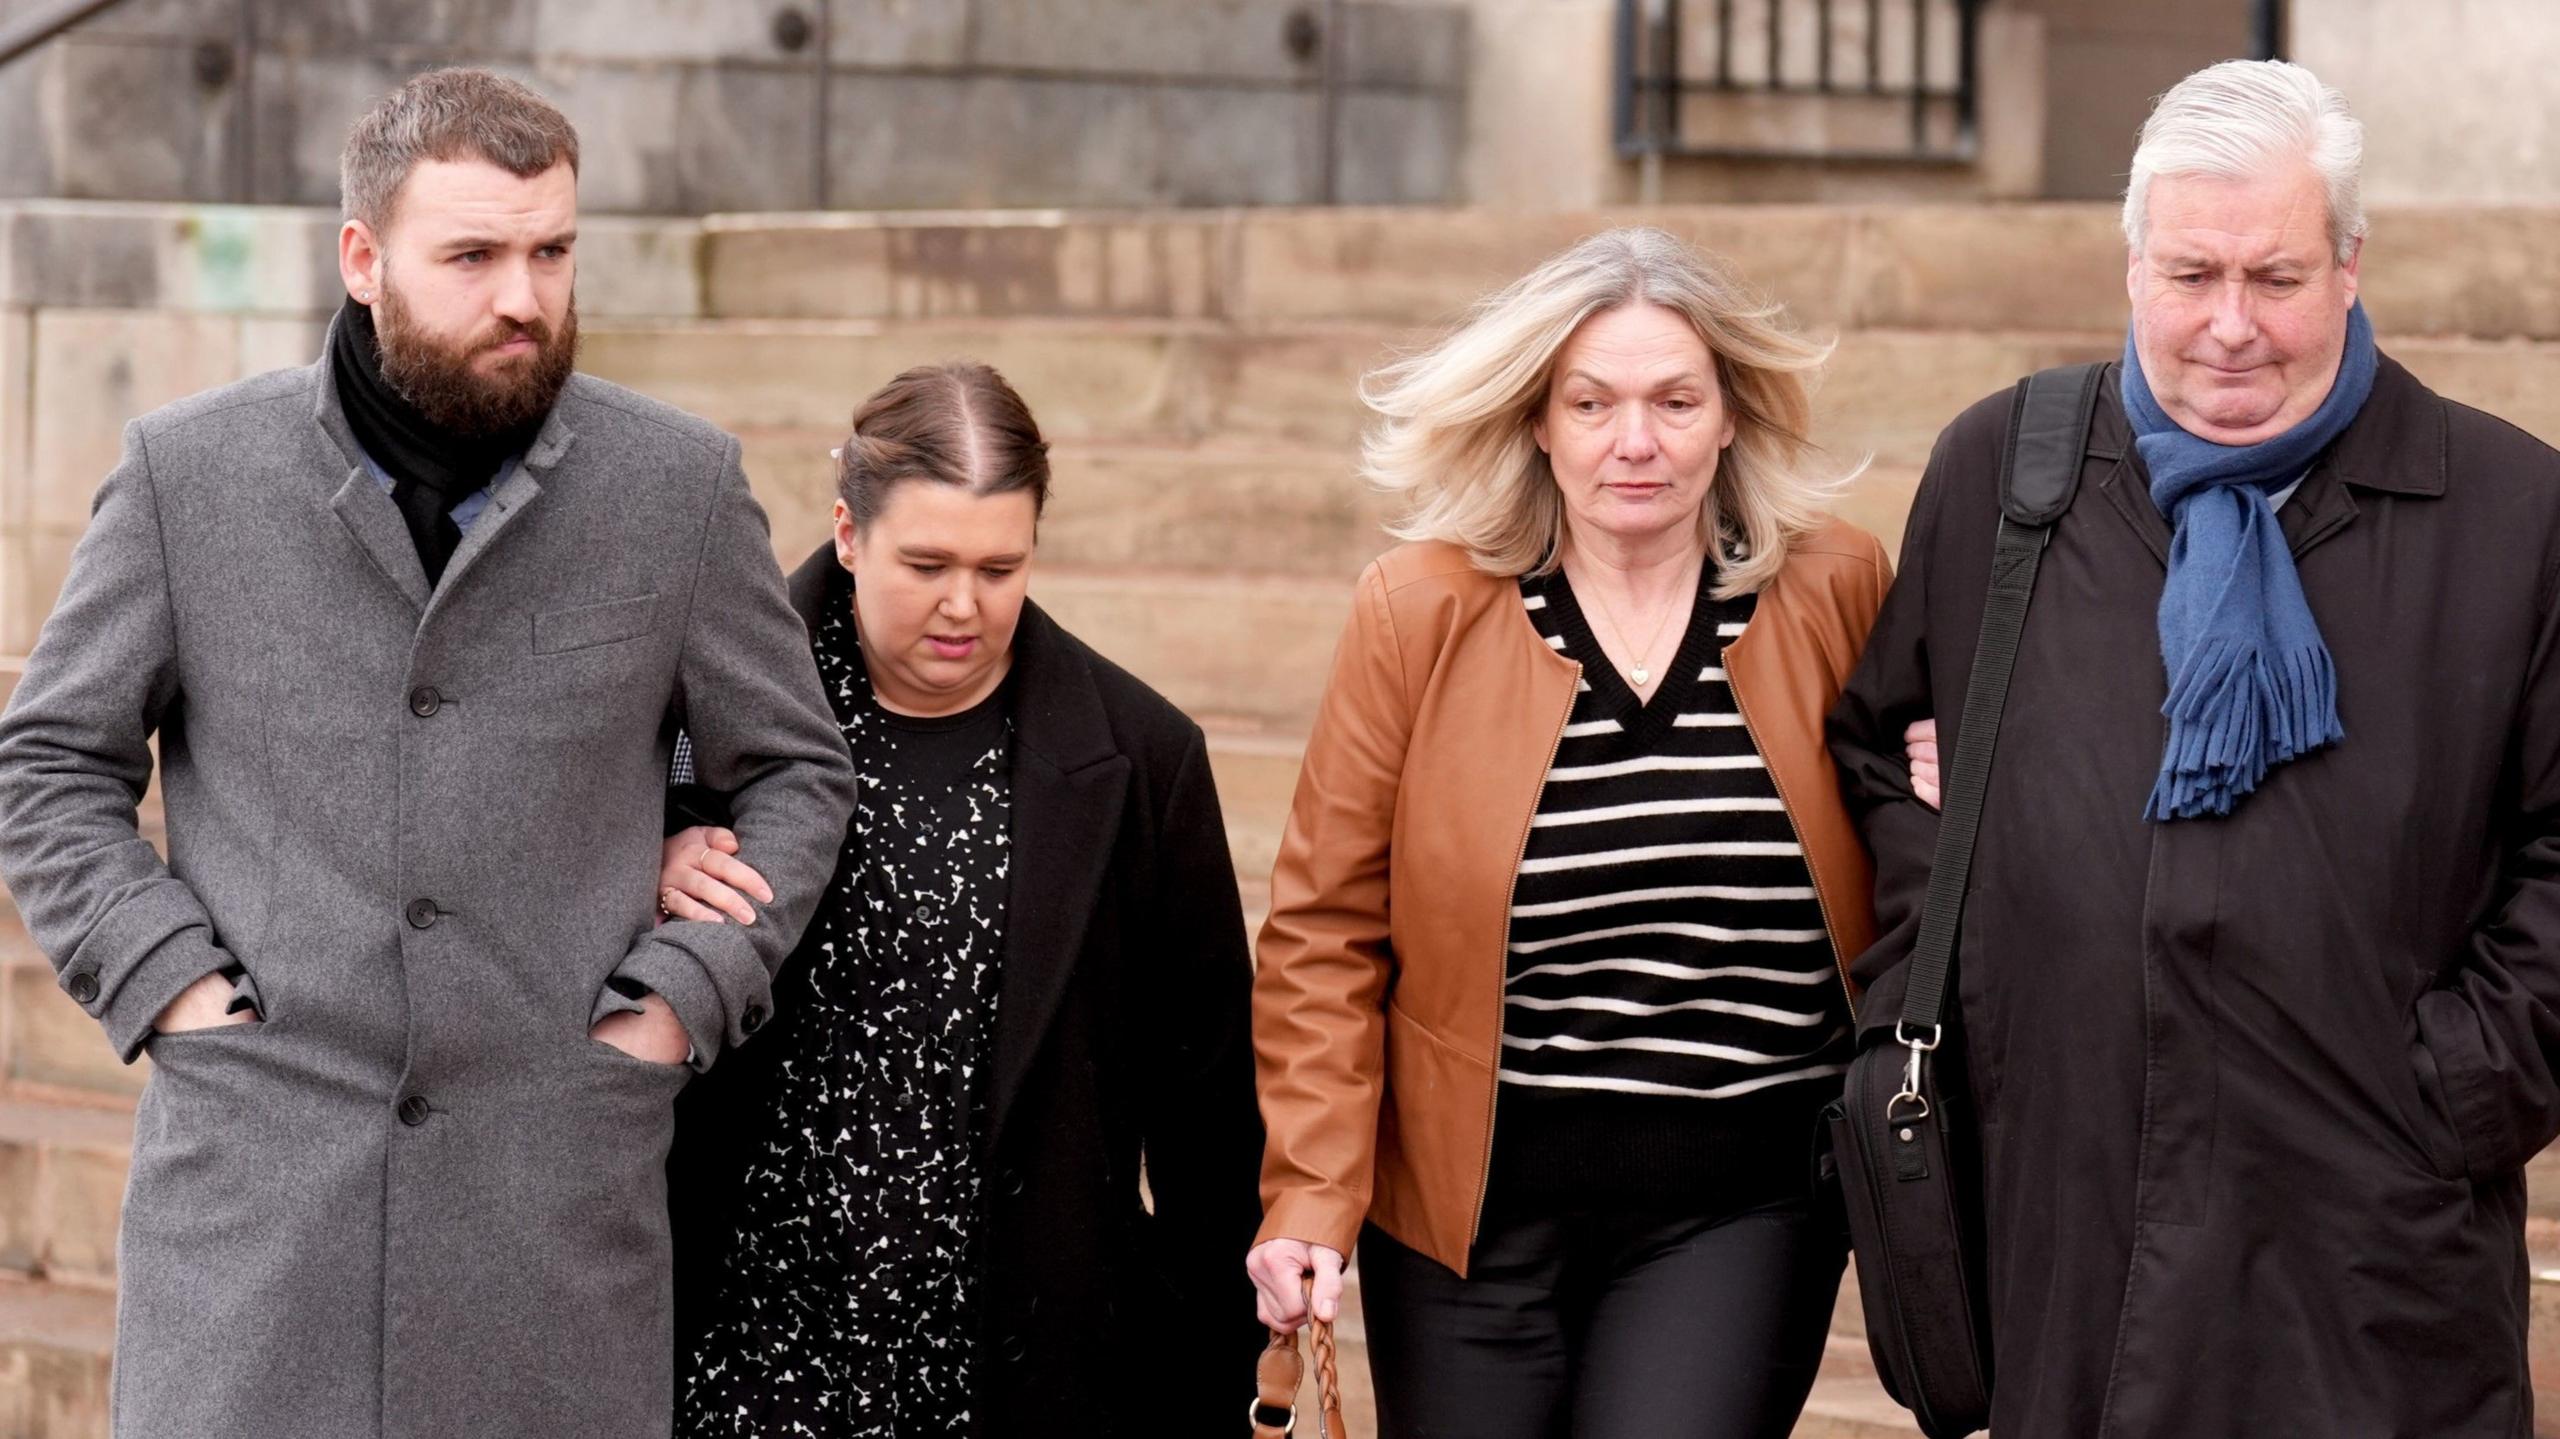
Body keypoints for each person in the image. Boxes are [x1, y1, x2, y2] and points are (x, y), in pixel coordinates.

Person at [0, 69, 858, 1438]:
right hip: (258, 1222)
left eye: (553, 251)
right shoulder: (188, 476)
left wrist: (682, 997)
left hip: (554, 1214)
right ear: (362, 257)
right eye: (473, 255)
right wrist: (173, 988)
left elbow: (799, 775)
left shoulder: (677, 489)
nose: (524, 295)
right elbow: (47, 762)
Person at [1829, 59, 2560, 1436]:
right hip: (2070, 1222)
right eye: (2191, 274)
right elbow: (1885, 757)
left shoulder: (2515, 511)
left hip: (2370, 1242)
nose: (2230, 326)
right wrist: (1993, 1002)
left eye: (2275, 278)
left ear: (2350, 267)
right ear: (2131, 267)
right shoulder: (2003, 472)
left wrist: (2458, 1087)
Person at [1246, 227, 1890, 1437]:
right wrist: (1309, 1195)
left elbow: (1917, 854)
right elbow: (1324, 933)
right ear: (1537, 422)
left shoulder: (1834, 592)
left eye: (1673, 400)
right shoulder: (1419, 611)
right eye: (1589, 403)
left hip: (1740, 1203)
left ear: (1730, 416)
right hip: (1466, 1216)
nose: (1632, 441)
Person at [656, 362, 1267, 1437]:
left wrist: (1215, 1376)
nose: (962, 604)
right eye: (925, 562)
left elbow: (1207, 1115)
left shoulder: (1144, 757)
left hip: (1022, 1368)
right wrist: (641, 857)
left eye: (1000, 566)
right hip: (736, 1352)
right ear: (847, 532)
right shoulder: (693, 717)